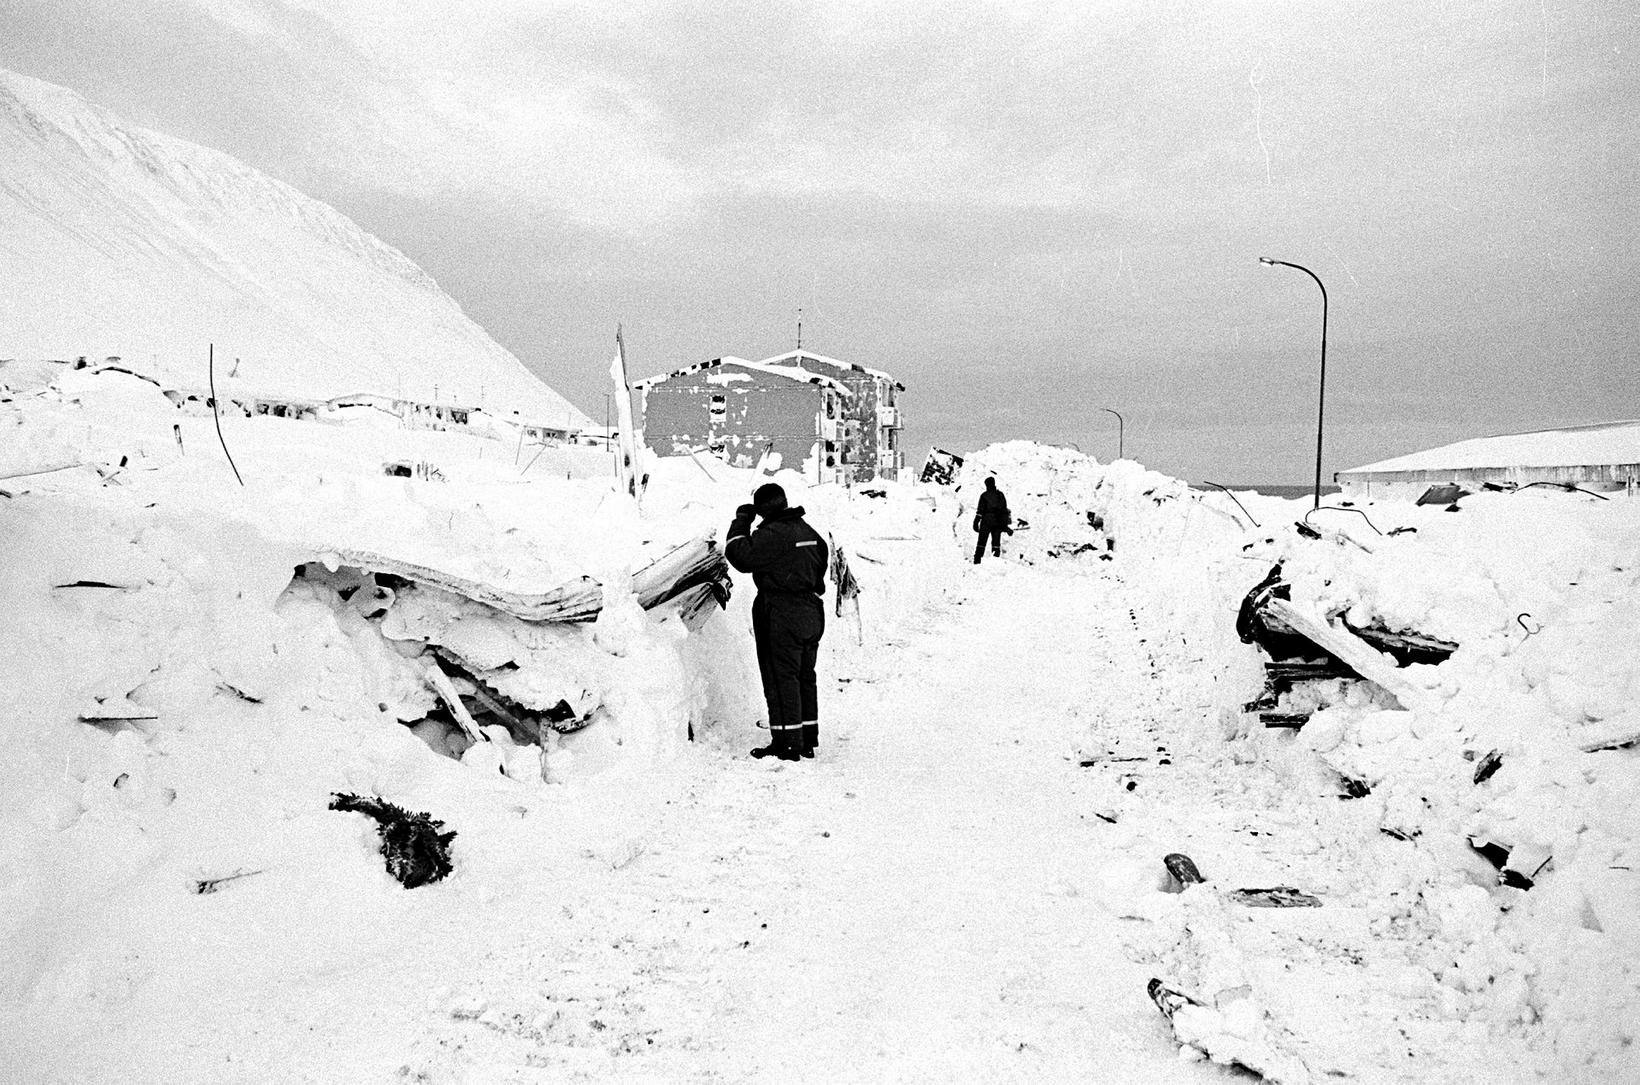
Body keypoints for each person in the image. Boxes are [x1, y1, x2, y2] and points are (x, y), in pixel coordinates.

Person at [724, 483, 829, 761]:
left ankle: (787, 744)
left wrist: (741, 520)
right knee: (805, 676)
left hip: (782, 613)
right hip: (811, 611)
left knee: (781, 677)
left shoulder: (774, 535)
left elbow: (739, 555)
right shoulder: (809, 533)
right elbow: (821, 569)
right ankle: (806, 739)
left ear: (761, 511)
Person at [972, 476, 1011, 564]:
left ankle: (977, 562)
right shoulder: (1000, 494)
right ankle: (995, 563)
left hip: (986, 521)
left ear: (987, 485)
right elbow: (1005, 510)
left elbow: (980, 511)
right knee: (996, 544)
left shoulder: (984, 495)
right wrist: (1005, 526)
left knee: (981, 542)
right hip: (998, 521)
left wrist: (976, 522)